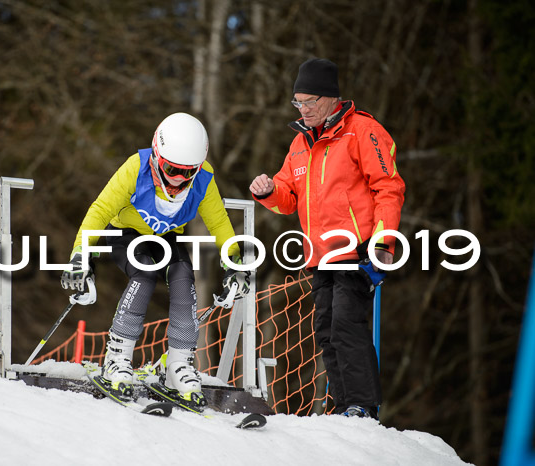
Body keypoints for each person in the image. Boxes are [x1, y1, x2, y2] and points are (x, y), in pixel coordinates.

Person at [250, 58, 405, 420]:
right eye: (297, 103)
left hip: (358, 251)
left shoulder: (363, 131)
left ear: (331, 98)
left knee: (346, 324)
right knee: (325, 330)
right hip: (319, 255)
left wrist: (383, 245)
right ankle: (342, 406)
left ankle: (362, 405)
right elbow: (287, 198)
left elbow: (389, 188)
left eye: (309, 102)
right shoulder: (300, 144)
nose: (302, 110)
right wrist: (268, 190)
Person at [61, 112, 250, 410]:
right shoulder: (136, 168)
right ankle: (117, 357)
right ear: (156, 157)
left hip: (166, 238)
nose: (178, 180)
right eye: (172, 169)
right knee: (145, 276)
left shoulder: (203, 179)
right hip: (125, 233)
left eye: (188, 172)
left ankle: (179, 363)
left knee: (184, 278)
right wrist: (80, 256)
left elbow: (220, 224)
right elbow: (99, 210)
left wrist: (235, 264)